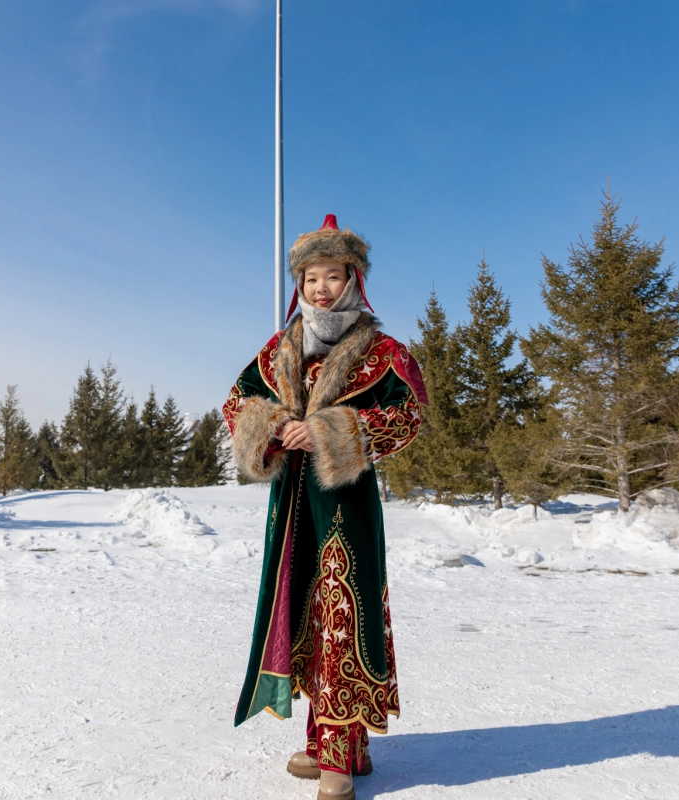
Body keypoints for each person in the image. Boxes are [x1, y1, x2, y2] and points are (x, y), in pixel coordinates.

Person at [223, 214, 428, 800]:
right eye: (311, 277)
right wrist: (276, 423)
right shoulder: (282, 347)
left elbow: (408, 415)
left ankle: (337, 759)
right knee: (304, 614)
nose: (320, 288)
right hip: (292, 506)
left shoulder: (382, 350)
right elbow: (236, 402)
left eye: (332, 276)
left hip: (344, 505)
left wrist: (332, 433)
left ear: (354, 278)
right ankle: (337, 745)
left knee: (341, 613)